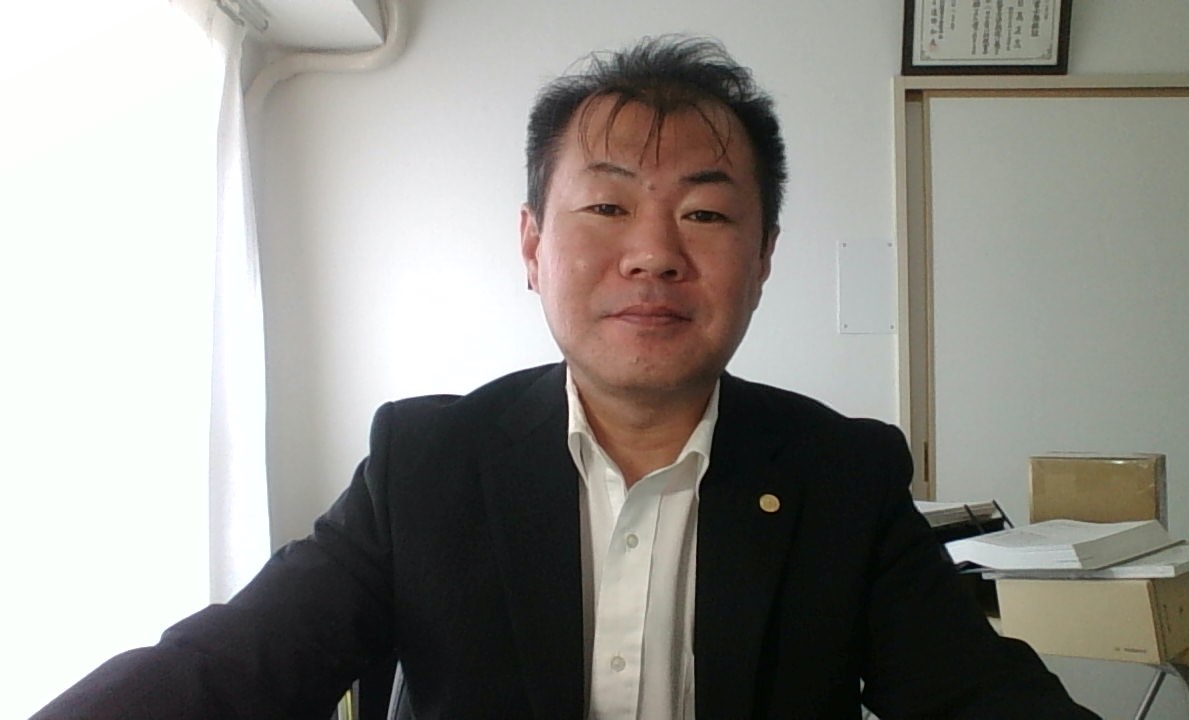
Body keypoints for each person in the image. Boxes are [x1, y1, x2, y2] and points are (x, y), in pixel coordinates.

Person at [35, 35, 1099, 720]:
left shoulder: (840, 475)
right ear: (532, 245)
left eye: (705, 212)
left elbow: (978, 699)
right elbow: (229, 671)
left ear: (763, 257)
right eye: (606, 207)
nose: (654, 253)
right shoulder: (426, 462)